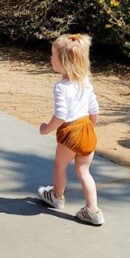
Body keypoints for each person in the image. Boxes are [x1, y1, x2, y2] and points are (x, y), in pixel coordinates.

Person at [37, 33, 104, 226]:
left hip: (71, 135)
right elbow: (94, 110)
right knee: (84, 171)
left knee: (60, 165)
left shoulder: (61, 87)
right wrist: (90, 127)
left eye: (53, 56)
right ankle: (93, 211)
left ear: (64, 62)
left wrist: (46, 129)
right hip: (87, 130)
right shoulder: (86, 82)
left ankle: (56, 196)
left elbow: (61, 116)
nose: (50, 59)